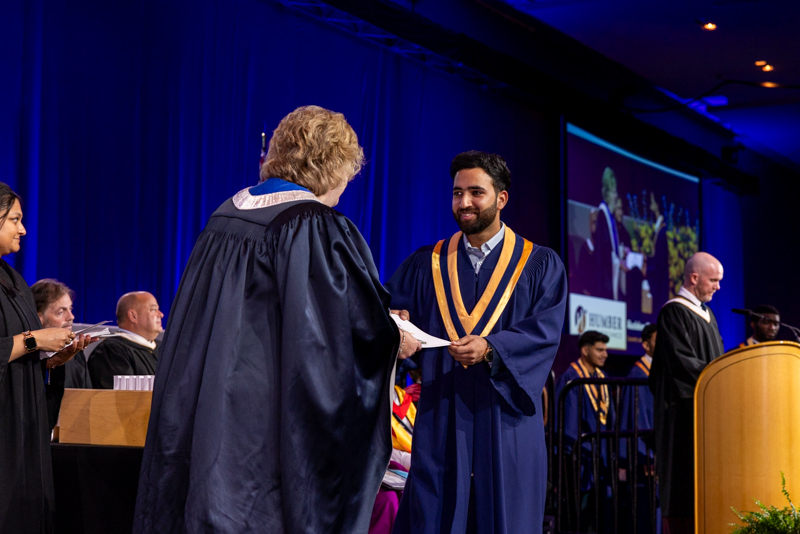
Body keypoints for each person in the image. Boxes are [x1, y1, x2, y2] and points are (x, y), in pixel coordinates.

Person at [134, 105, 420, 534]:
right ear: (331, 164)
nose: (345, 186)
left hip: (208, 401)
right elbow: (335, 335)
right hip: (263, 415)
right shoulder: (313, 224)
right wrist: (392, 338)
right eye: (347, 172)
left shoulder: (226, 214)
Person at [387, 150, 568, 534]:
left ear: (501, 198)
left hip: (506, 420)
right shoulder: (427, 264)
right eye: (457, 193)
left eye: (476, 192)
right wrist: (395, 329)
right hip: (440, 415)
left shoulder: (539, 265)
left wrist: (491, 349)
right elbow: (387, 314)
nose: (464, 202)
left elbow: (544, 333)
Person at [0, 182, 94, 533]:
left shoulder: (13, 280)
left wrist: (49, 361)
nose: (23, 229)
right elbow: (22, 342)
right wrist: (35, 339)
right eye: (14, 219)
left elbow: (18, 353)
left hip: (23, 427)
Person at [649, 251, 725, 534]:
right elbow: (682, 364)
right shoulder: (674, 312)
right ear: (694, 278)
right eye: (713, 280)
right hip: (682, 415)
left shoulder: (708, 314)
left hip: (706, 411)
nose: (718, 286)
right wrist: (718, 380)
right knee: (684, 485)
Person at [554, 330, 613, 533]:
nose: (605, 354)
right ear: (585, 350)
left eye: (605, 350)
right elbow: (567, 425)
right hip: (579, 459)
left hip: (601, 457)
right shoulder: (571, 378)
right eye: (599, 350)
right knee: (579, 515)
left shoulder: (602, 378)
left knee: (599, 514)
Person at [88, 291, 163, 389]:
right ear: (133, 316)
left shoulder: (164, 348)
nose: (161, 314)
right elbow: (120, 396)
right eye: (153, 309)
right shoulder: (112, 351)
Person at [32, 278, 93, 388]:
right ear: (38, 317)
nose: (71, 317)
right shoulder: (25, 359)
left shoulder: (74, 353)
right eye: (61, 312)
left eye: (70, 309)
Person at [593, 167, 622, 300]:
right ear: (607, 193)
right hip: (604, 279)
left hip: (610, 275)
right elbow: (603, 251)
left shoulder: (610, 217)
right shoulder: (602, 214)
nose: (616, 196)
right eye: (613, 192)